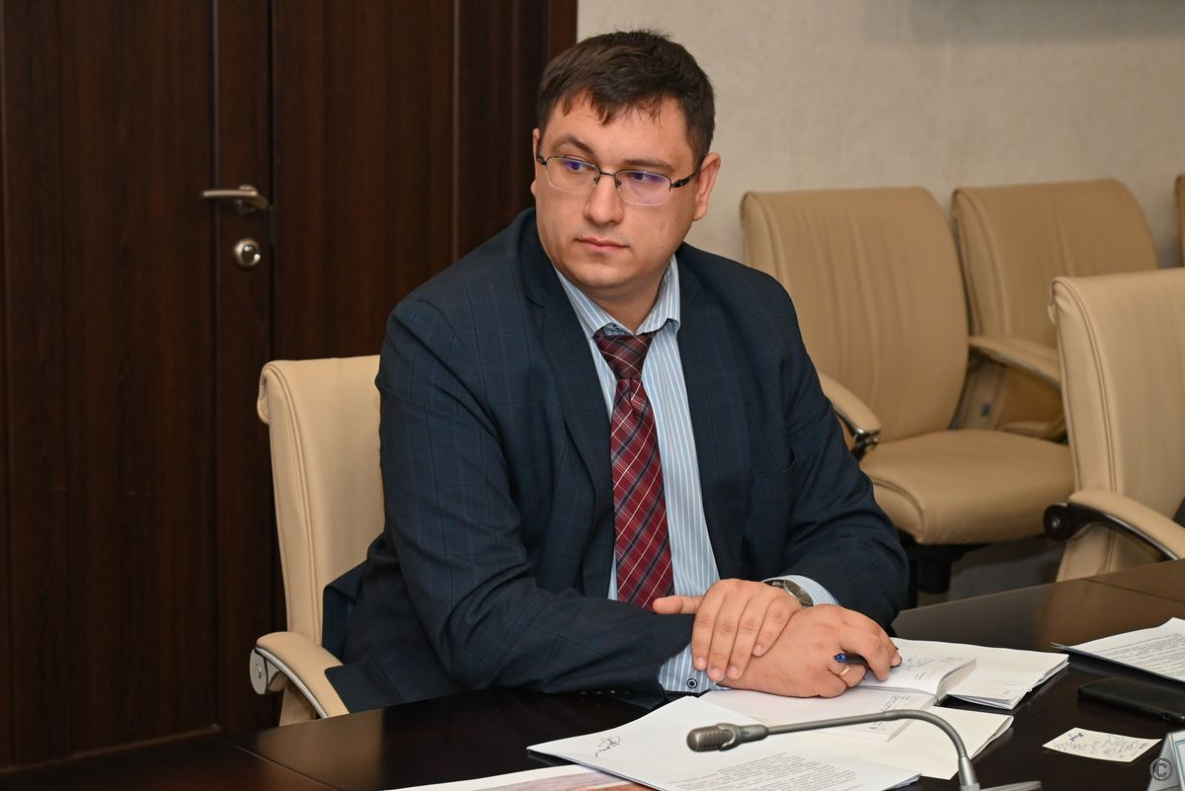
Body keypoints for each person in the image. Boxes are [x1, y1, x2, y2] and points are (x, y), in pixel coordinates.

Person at [328, 29, 908, 712]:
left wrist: (781, 603)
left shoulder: (754, 314)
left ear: (701, 187)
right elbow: (480, 619)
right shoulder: (448, 334)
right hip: (501, 704)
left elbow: (861, 537)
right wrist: (722, 655)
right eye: (575, 165)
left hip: (735, 707)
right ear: (536, 161)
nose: (601, 208)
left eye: (644, 177)